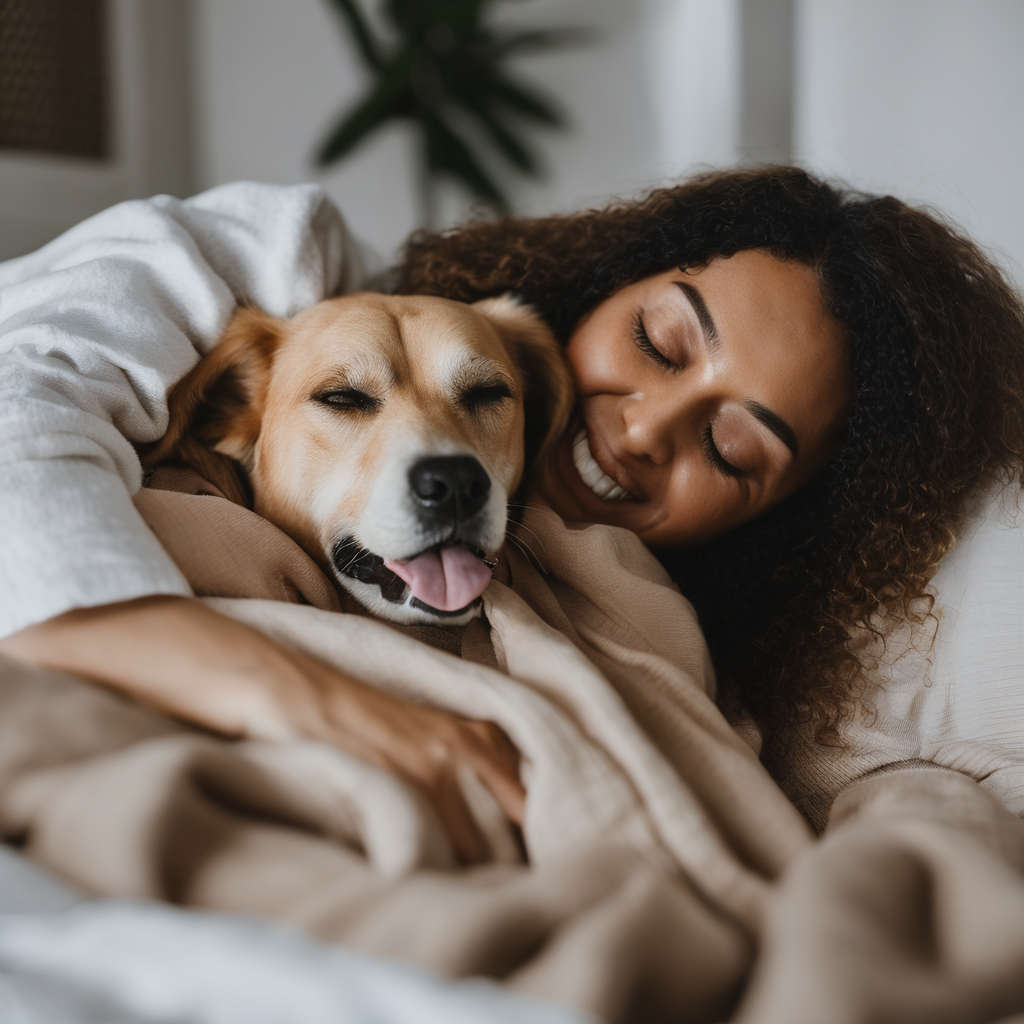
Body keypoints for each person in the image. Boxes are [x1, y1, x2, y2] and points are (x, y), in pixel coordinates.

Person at [1, 167, 1022, 847]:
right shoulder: (260, 263)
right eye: (658, 344)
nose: (636, 431)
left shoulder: (676, 644)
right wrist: (300, 695)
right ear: (607, 278)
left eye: (729, 444)